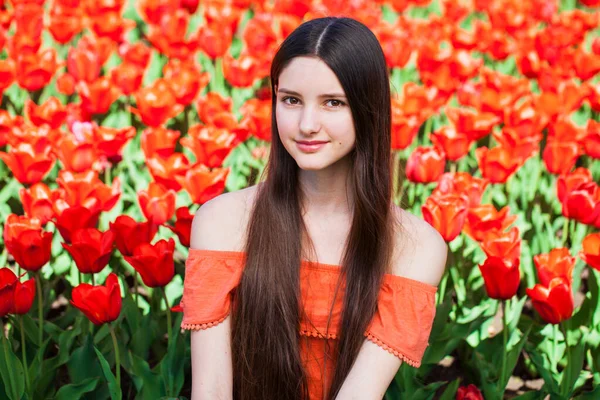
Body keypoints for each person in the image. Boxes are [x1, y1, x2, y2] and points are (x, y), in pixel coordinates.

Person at [180, 16, 448, 400]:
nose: (307, 124)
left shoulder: (414, 246)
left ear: (369, 109)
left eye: (333, 103)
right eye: (291, 100)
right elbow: (211, 392)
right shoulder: (223, 223)